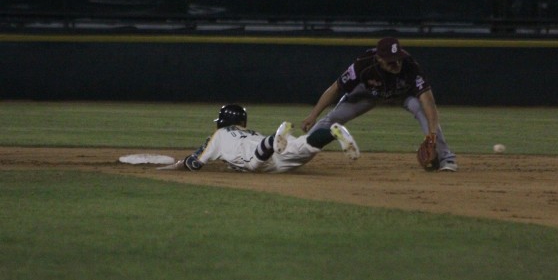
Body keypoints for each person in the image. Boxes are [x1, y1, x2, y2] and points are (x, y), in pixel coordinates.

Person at [301, 37, 457, 172]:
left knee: (420, 108)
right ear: (379, 58)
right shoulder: (363, 64)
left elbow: (428, 101)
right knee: (332, 119)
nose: (396, 63)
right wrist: (313, 115)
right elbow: (335, 88)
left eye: (398, 58)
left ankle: (446, 159)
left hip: (402, 95)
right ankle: (300, 150)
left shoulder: (410, 65)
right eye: (391, 60)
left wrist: (432, 136)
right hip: (369, 94)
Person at [167, 104, 359, 173]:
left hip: (258, 153)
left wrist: (174, 166)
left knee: (253, 164)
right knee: (304, 147)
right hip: (275, 153)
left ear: (223, 121)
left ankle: (273, 139)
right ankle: (333, 132)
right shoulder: (250, 131)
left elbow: (194, 164)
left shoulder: (219, 135)